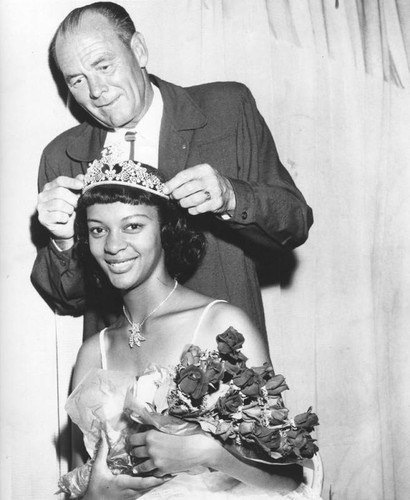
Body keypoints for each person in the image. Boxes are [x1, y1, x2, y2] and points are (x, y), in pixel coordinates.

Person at [31, 1, 313, 341]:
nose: (95, 91)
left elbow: (294, 224)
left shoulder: (227, 109)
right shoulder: (62, 156)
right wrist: (62, 241)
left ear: (138, 49)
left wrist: (231, 196)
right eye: (77, 80)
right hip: (118, 366)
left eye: (104, 66)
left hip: (219, 360)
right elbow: (67, 298)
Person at [65, 154, 320, 500]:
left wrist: (208, 453)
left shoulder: (221, 325)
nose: (112, 245)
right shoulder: (93, 352)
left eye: (133, 226)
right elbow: (93, 476)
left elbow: (291, 478)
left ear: (165, 230)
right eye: (98, 230)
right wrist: (96, 495)